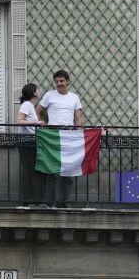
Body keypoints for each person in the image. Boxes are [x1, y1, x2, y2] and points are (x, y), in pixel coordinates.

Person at [37, 71, 85, 202]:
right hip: (52, 135)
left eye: (62, 81)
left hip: (69, 135)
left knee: (68, 172)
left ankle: (64, 202)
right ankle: (50, 203)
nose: (59, 84)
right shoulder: (49, 95)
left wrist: (78, 134)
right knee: (52, 171)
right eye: (57, 81)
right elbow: (37, 111)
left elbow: (78, 118)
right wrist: (42, 124)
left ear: (68, 81)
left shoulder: (74, 97)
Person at [16, 83, 42, 201]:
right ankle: (26, 199)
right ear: (34, 93)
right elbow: (19, 121)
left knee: (31, 170)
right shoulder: (27, 104)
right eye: (38, 89)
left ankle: (31, 198)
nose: (40, 91)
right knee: (28, 171)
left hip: (31, 142)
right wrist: (36, 123)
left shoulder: (30, 106)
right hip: (27, 143)